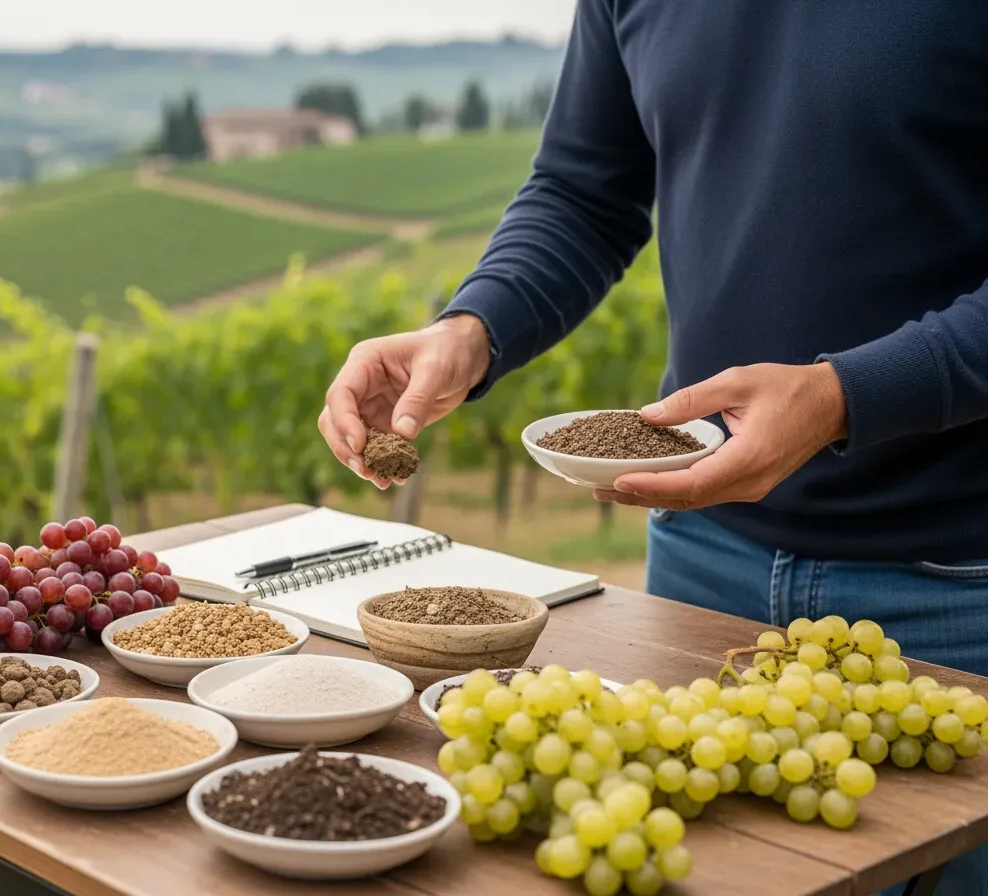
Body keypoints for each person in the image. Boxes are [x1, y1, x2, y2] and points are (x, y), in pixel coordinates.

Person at [320, 3, 988, 891]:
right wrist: (475, 327)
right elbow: (583, 189)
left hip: (956, 579)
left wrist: (841, 398)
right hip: (698, 557)